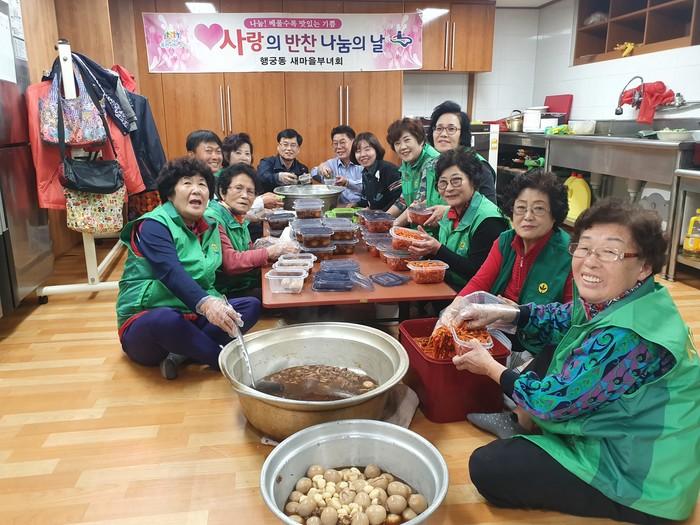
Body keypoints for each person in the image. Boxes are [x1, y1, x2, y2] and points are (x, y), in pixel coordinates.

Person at [449, 198, 700, 524]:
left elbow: (551, 402)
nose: (590, 262)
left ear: (644, 266)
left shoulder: (627, 338)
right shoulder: (628, 297)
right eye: (584, 248)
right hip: (619, 427)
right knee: (553, 350)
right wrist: (504, 313)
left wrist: (490, 367)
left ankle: (530, 428)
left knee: (488, 467)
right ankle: (521, 422)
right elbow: (564, 316)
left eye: (610, 252)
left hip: (642, 479)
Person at [116, 158, 261, 380]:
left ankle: (182, 352)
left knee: (249, 307)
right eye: (187, 183)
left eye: (202, 184)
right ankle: (224, 362)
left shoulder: (209, 226)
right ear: (170, 193)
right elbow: (171, 273)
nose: (197, 190)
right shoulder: (154, 225)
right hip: (146, 319)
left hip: (191, 315)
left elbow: (213, 274)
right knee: (166, 320)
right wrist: (208, 304)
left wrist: (220, 306)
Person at [407, 148, 508, 290]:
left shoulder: (489, 220)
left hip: (474, 296)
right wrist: (426, 249)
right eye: (442, 183)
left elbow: (477, 272)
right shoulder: (451, 211)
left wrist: (437, 249)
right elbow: (447, 258)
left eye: (456, 181)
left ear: (473, 181)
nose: (448, 188)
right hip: (446, 286)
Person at [204, 163, 298, 298]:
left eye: (250, 192)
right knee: (283, 296)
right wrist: (270, 251)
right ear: (222, 192)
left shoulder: (237, 216)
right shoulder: (213, 219)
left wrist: (261, 246)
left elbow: (245, 250)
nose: (244, 196)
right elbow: (231, 263)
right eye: (238, 188)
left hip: (243, 282)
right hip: (223, 292)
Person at [428, 100, 497, 204]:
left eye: (451, 129)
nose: (443, 134)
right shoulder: (435, 163)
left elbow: (490, 209)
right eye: (439, 128)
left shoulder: (479, 166)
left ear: (462, 134)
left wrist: (447, 211)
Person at [385, 118, 441, 226]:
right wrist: (382, 219)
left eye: (407, 140)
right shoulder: (407, 162)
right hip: (417, 225)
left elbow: (419, 204)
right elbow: (403, 200)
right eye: (397, 143)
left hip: (432, 229)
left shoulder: (432, 162)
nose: (402, 147)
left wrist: (393, 225)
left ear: (420, 140)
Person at [222, 132, 282, 212]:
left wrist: (262, 201)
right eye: (238, 153)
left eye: (247, 153)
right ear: (227, 156)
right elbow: (229, 209)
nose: (244, 158)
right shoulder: (221, 178)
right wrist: (261, 201)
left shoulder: (250, 177)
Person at [311, 125, 364, 206]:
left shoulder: (363, 162)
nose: (338, 147)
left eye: (342, 142)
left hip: (361, 207)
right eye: (335, 143)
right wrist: (321, 167)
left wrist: (347, 183)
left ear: (353, 142)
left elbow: (367, 187)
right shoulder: (331, 164)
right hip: (337, 208)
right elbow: (313, 173)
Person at [351, 131, 401, 211]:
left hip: (392, 216)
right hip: (376, 216)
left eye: (367, 149)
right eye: (358, 151)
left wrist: (377, 213)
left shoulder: (389, 170)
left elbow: (399, 199)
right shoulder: (365, 172)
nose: (362, 154)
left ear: (376, 150)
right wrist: (355, 204)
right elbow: (366, 199)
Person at [257, 129, 309, 193]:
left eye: (293, 145)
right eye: (285, 144)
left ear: (298, 149)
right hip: (271, 198)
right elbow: (261, 177)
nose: (289, 148)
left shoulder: (302, 169)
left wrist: (302, 183)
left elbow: (307, 191)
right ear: (278, 147)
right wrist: (278, 177)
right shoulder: (266, 162)